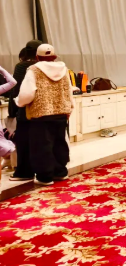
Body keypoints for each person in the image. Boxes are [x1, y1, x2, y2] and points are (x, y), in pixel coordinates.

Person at [15, 44, 73, 185]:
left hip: (41, 114)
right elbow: (69, 90)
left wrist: (19, 102)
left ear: (37, 57)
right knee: (59, 143)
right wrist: (70, 107)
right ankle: (60, 172)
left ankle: (45, 177)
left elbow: (27, 93)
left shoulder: (34, 70)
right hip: (61, 112)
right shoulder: (64, 69)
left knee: (41, 146)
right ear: (54, 56)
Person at [8, 41, 41, 182]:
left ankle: (24, 172)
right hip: (45, 111)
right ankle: (45, 170)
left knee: (24, 142)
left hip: (25, 110)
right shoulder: (49, 67)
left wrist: (13, 110)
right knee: (43, 142)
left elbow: (16, 90)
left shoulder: (22, 67)